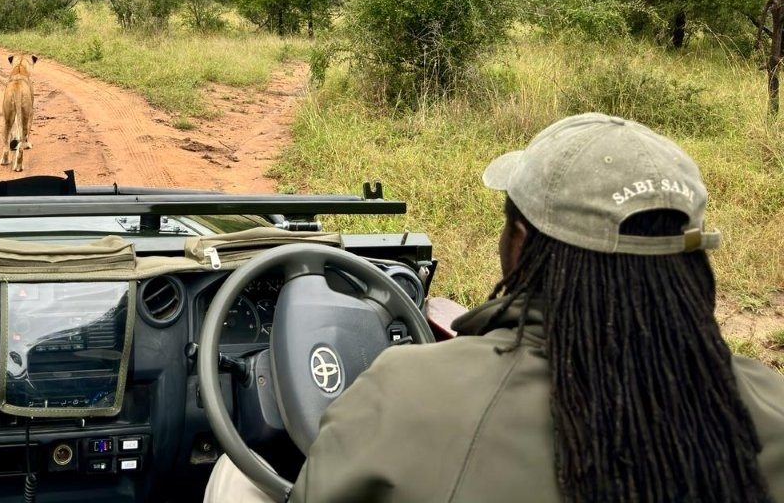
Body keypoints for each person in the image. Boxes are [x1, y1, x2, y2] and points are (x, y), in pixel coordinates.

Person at [207, 112, 784, 503]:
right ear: (689, 261)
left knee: (238, 471)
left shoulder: (405, 396)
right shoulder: (770, 407)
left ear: (520, 245)